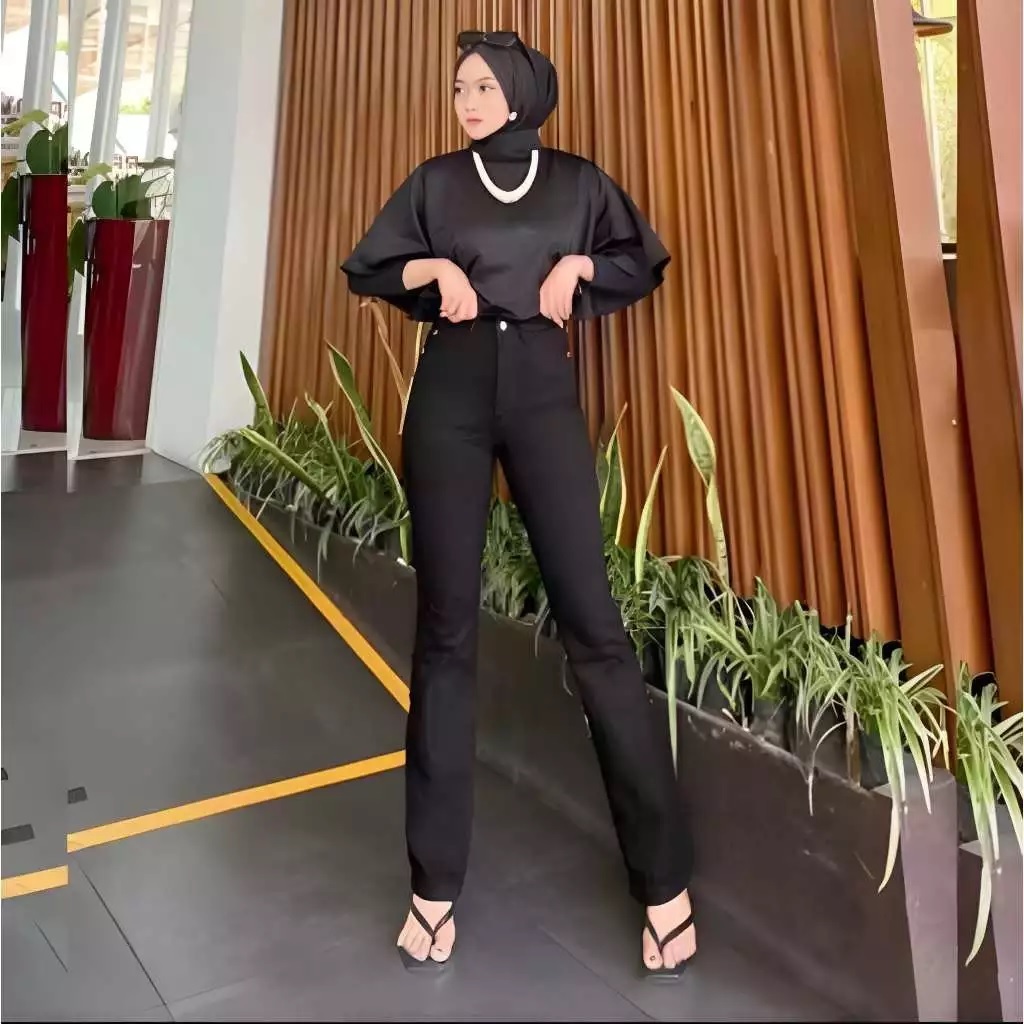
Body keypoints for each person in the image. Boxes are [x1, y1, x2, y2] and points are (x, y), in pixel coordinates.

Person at [342, 30, 697, 981]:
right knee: (445, 634)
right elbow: (370, 265)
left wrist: (579, 270)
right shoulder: (435, 182)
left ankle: (666, 883)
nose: (467, 99)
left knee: (596, 628)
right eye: (459, 86)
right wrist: (434, 273)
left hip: (542, 390)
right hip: (449, 397)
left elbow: (638, 258)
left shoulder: (576, 183)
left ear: (525, 93)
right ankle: (433, 885)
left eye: (484, 85)